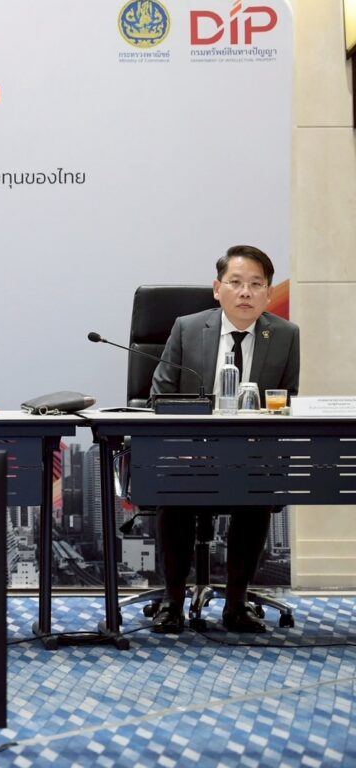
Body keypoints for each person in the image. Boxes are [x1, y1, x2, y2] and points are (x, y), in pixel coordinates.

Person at [149, 245, 300, 634]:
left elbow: (287, 401)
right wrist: (183, 447)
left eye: (256, 284)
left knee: (257, 489)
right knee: (174, 490)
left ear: (268, 293)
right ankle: (172, 601)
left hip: (249, 457)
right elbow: (159, 396)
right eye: (236, 282)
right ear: (218, 289)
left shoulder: (284, 335)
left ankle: (237, 603)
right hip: (188, 454)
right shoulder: (187, 328)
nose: (245, 292)